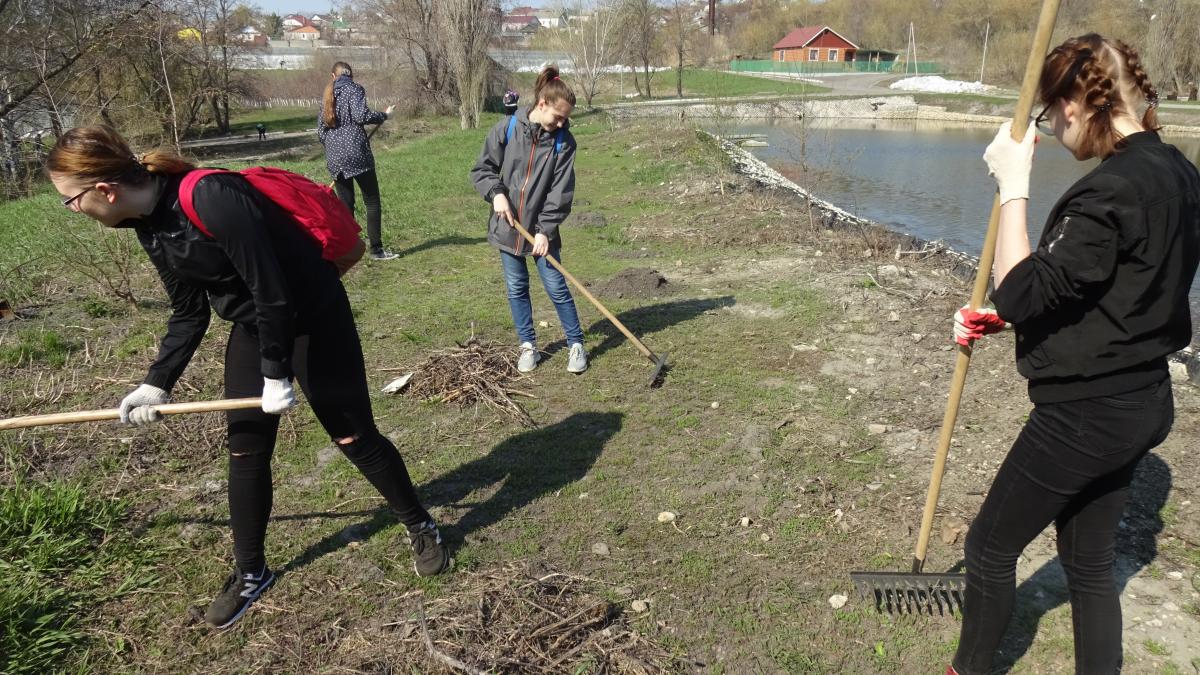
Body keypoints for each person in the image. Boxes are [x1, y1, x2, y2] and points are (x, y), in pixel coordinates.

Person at [45, 125, 451, 630]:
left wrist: (276, 373)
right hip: (255, 324)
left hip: (313, 317)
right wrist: (157, 382)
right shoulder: (147, 224)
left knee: (352, 435)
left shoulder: (210, 196)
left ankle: (420, 523)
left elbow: (274, 289)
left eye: (71, 201)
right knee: (245, 448)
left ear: (103, 190)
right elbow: (188, 313)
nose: (74, 211)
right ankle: (251, 570)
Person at [949, 34, 1200, 674]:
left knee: (988, 548)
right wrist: (1007, 321)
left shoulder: (1109, 192)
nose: (1052, 131)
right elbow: (1120, 292)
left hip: (1085, 414)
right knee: (1088, 560)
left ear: (1074, 104)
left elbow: (1021, 289)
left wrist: (1015, 183)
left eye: (1047, 116)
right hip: (1144, 399)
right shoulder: (1176, 171)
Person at [470, 66, 588, 374]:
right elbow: (482, 169)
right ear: (541, 105)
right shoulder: (507, 129)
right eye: (557, 116)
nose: (561, 123)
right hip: (508, 229)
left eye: (565, 119)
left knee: (556, 286)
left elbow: (561, 192)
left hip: (541, 233)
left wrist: (545, 230)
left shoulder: (564, 143)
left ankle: (576, 344)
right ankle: (528, 346)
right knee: (516, 287)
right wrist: (496, 193)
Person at [318, 61, 397, 261]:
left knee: (346, 205)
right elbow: (362, 115)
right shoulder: (355, 89)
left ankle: (349, 251)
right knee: (371, 200)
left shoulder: (327, 95)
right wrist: (384, 115)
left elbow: (321, 132)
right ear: (350, 75)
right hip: (357, 153)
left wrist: (335, 145)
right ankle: (376, 250)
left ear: (333, 76)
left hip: (335, 156)